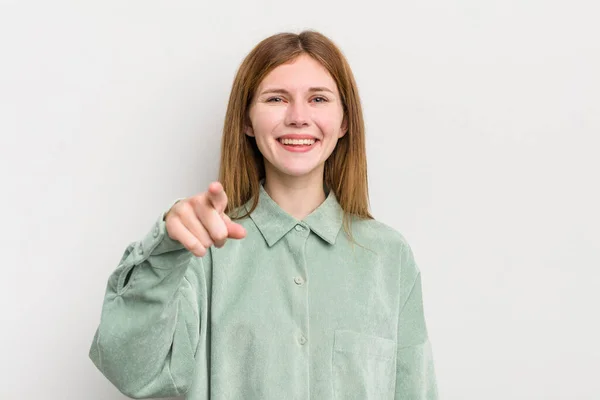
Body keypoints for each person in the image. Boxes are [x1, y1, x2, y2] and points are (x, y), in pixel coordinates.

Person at [89, 30, 438, 400]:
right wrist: (165, 251)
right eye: (276, 99)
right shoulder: (200, 251)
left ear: (345, 121)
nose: (298, 117)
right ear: (247, 121)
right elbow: (132, 370)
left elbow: (415, 389)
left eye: (318, 98)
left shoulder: (389, 256)